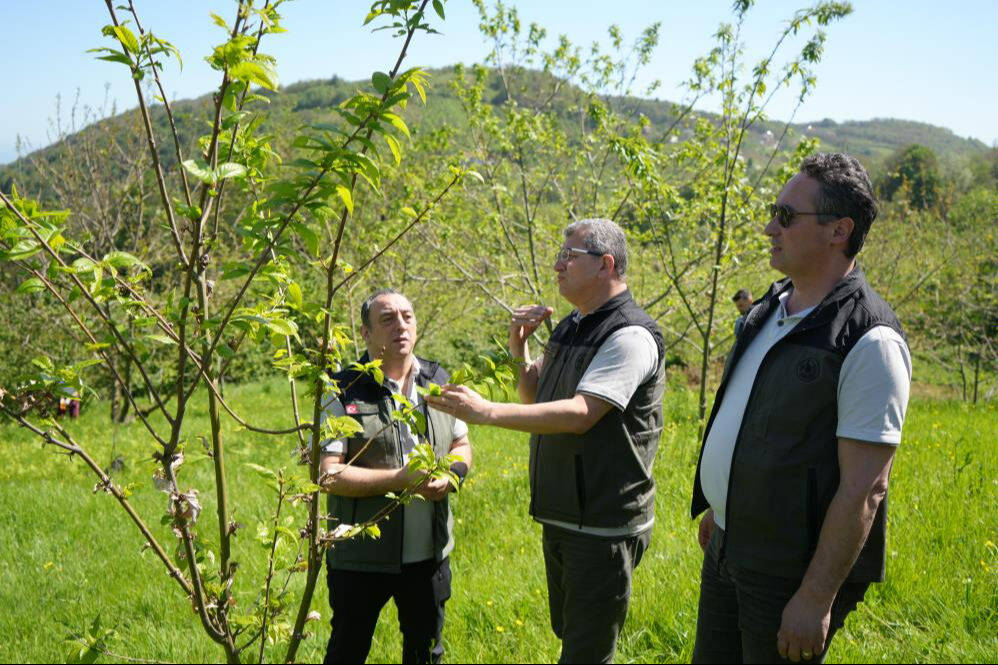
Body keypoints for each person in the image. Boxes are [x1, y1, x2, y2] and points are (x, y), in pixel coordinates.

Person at [690, 153, 912, 664]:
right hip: (728, 545)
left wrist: (815, 597)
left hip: (789, 570)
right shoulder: (770, 309)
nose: (770, 227)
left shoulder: (870, 340)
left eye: (786, 216)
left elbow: (865, 487)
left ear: (839, 230)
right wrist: (724, 510)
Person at [426, 218, 665, 664]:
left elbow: (580, 414)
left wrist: (486, 412)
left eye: (568, 257)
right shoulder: (573, 324)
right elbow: (536, 394)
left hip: (602, 520)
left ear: (604, 265)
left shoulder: (629, 336)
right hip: (563, 513)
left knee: (586, 651)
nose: (557, 266)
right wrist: (519, 349)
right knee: (572, 632)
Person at [318, 289, 472, 665]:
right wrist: (400, 479)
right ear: (366, 333)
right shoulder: (342, 389)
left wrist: (451, 476)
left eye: (407, 316)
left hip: (430, 556)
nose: (401, 325)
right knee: (347, 652)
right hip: (360, 558)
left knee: (425, 652)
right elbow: (329, 475)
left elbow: (462, 444)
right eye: (387, 319)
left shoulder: (438, 381)